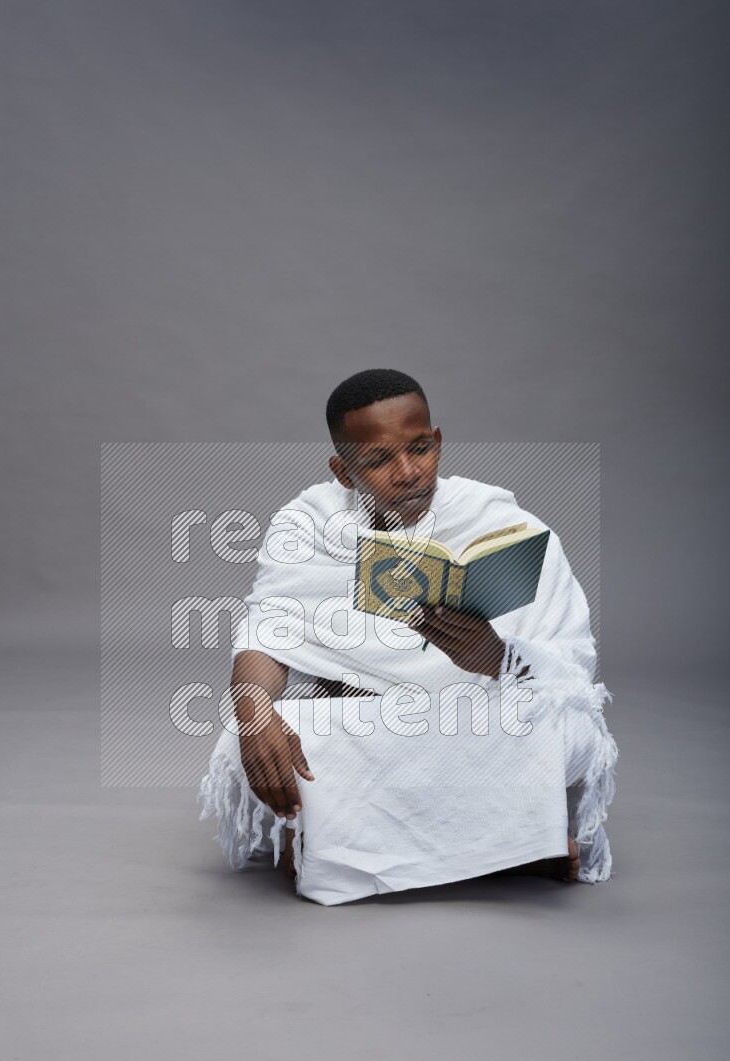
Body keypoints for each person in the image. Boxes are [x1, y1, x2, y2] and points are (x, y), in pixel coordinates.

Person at [198, 368, 617, 905]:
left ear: (437, 441)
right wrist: (254, 712)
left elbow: (570, 673)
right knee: (255, 730)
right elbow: (265, 634)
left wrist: (497, 656)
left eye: (420, 449)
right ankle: (513, 848)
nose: (408, 472)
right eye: (378, 460)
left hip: (478, 717)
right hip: (371, 720)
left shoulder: (503, 523)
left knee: (564, 729)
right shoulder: (308, 524)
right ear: (343, 471)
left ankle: (331, 846)